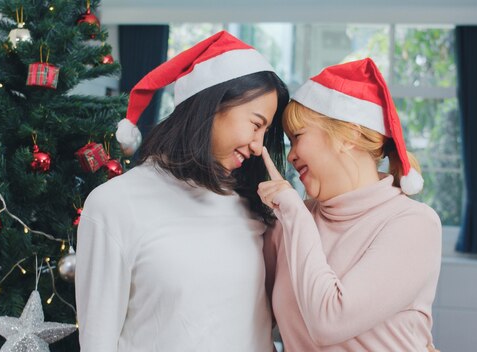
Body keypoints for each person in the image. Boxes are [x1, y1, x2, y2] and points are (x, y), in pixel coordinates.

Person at [75, 31, 289, 352]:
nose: (259, 146)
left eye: (266, 131)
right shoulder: (114, 204)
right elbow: (98, 342)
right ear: (212, 106)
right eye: (256, 124)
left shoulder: (251, 206)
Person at [258, 58, 442, 351]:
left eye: (298, 137)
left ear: (349, 136)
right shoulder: (291, 220)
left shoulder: (413, 224)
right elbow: (257, 319)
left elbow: (329, 322)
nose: (291, 156)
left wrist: (295, 213)